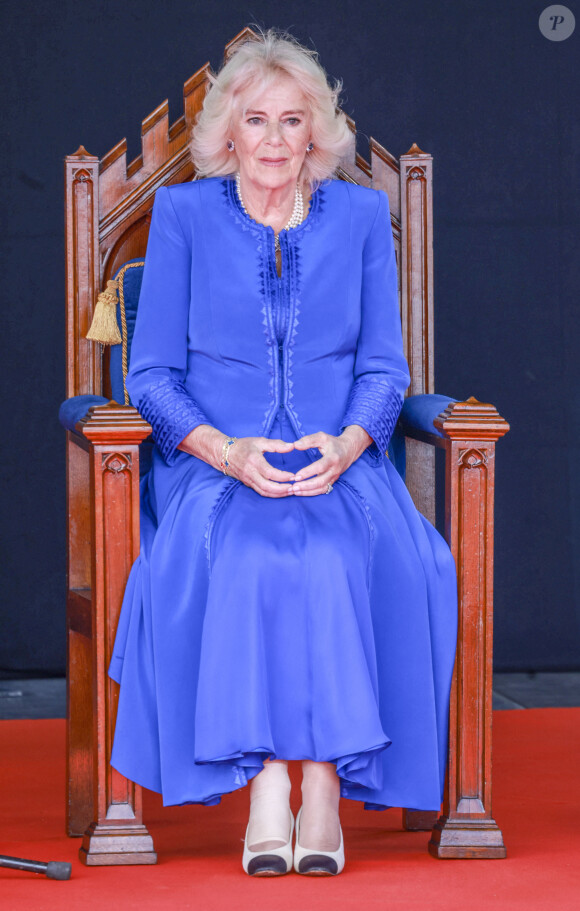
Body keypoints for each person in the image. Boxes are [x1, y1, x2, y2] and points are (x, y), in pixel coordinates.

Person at [107, 26, 458, 877]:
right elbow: (149, 375)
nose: (272, 141)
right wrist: (227, 452)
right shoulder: (185, 215)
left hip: (341, 461)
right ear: (228, 132)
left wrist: (345, 445)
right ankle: (270, 784)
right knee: (256, 558)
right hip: (214, 463)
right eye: (255, 121)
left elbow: (386, 365)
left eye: (291, 121)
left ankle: (325, 789)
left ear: (318, 133)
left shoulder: (363, 215)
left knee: (339, 554)